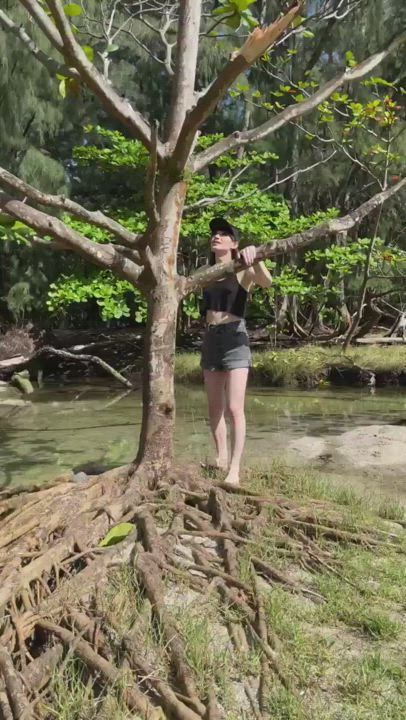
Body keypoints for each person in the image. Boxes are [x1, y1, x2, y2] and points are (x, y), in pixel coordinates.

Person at [201, 217, 272, 485]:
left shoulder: (242, 267)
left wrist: (256, 258)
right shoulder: (205, 272)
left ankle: (234, 469)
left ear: (234, 243)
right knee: (214, 407)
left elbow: (266, 283)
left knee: (234, 407)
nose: (216, 237)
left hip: (235, 337)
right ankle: (220, 459)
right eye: (214, 234)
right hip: (210, 338)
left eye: (223, 234)